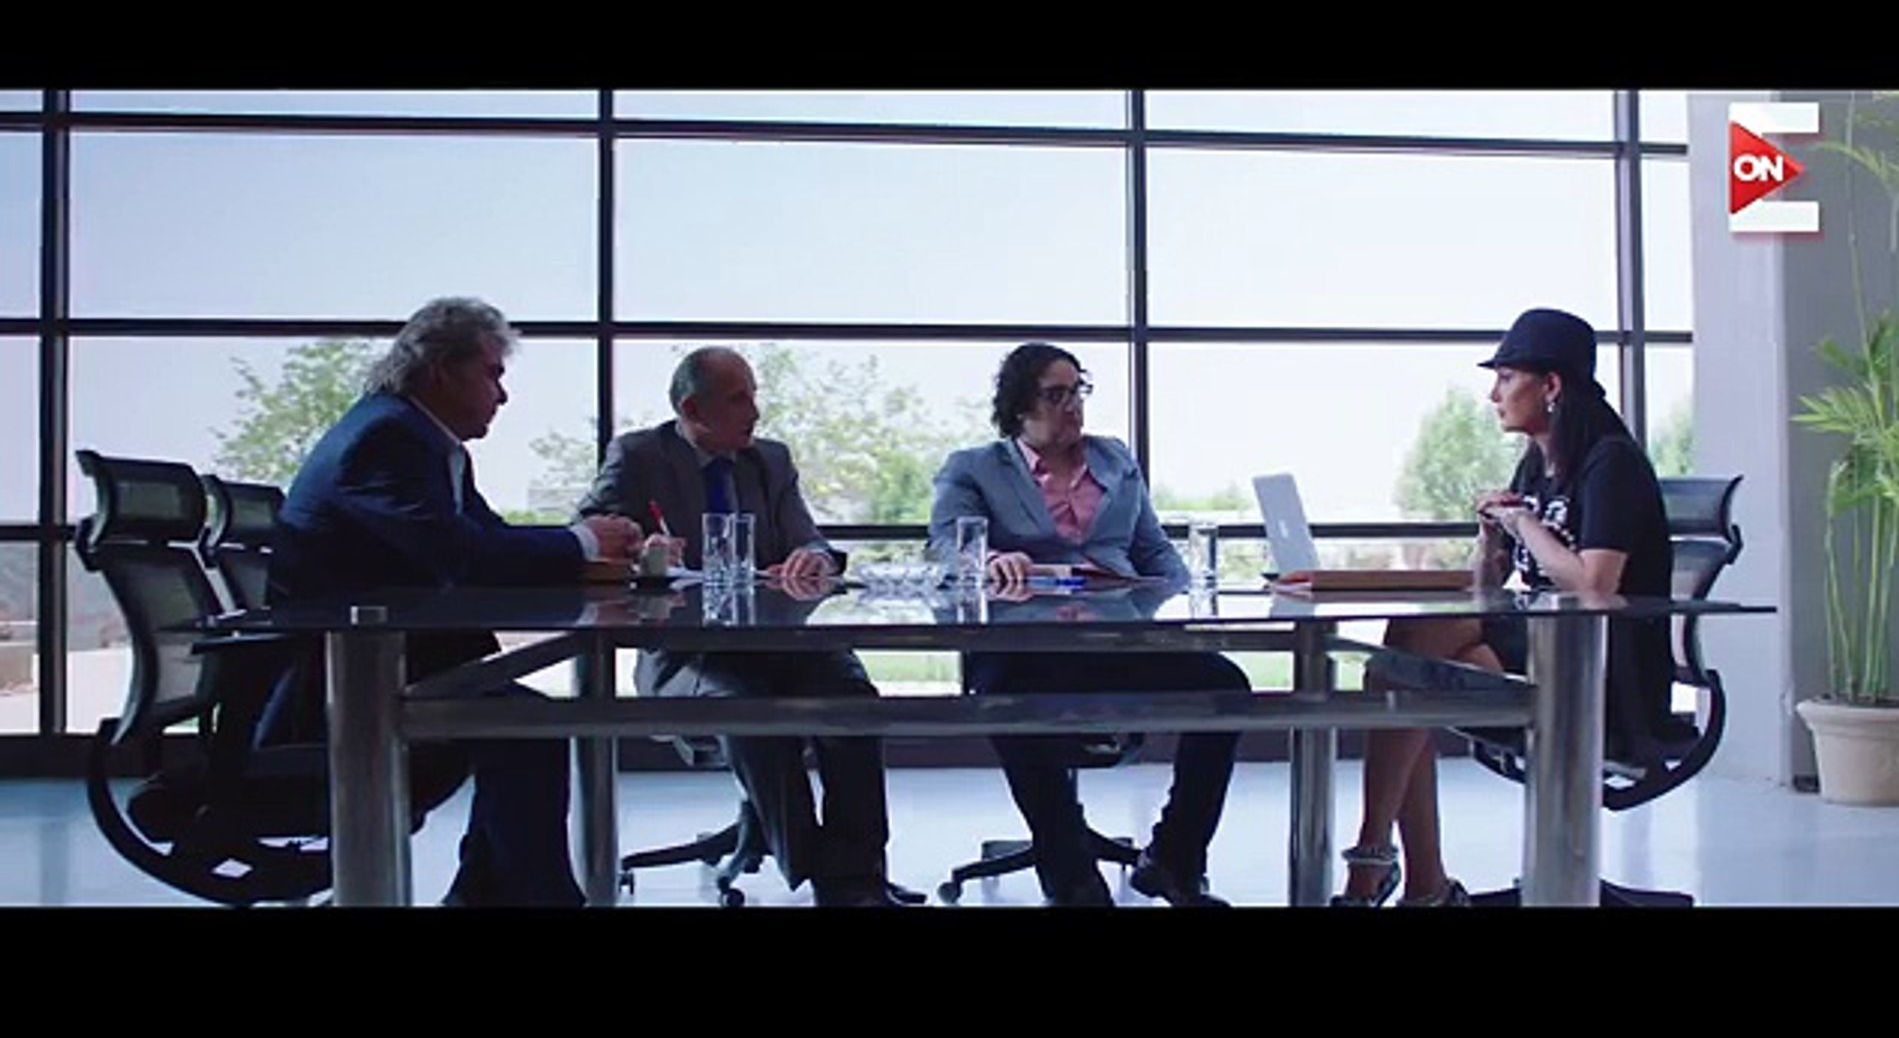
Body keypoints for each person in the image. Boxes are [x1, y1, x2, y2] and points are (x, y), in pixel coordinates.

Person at [268, 296, 645, 907]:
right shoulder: (387, 438)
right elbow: (462, 557)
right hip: (341, 689)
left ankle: (483, 897)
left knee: (528, 726)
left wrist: (589, 552)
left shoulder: (421, 439)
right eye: (492, 373)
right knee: (529, 729)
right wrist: (581, 541)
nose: (503, 395)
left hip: (390, 665)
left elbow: (488, 542)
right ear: (443, 370)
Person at [1331, 307, 1675, 907]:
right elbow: (1489, 591)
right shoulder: (1538, 464)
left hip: (1604, 678)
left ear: (1551, 385)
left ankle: (1377, 865)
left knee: (1405, 670)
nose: (1494, 394)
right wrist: (1491, 539)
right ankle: (1417, 883)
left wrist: (1524, 523)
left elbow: (1595, 586)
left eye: (1507, 377)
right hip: (1539, 657)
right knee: (1409, 670)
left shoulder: (1610, 463)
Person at [575, 346, 911, 907]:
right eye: (738, 399)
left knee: (854, 699)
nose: (755, 411)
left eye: (754, 396)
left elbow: (810, 538)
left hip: (787, 648)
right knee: (750, 709)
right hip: (688, 657)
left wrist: (813, 559)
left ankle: (857, 877)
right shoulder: (638, 456)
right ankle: (827, 872)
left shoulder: (770, 459)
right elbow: (588, 528)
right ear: (692, 409)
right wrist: (638, 547)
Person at [928, 342, 1250, 907]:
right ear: (1020, 406)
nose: (1073, 405)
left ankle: (1173, 859)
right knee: (1010, 698)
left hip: (1120, 638)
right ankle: (1070, 874)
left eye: (1078, 391)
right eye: (1056, 394)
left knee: (1227, 687)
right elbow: (946, 546)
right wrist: (988, 560)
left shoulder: (1114, 459)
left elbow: (1154, 552)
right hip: (1025, 646)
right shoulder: (975, 467)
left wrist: (1183, 599)